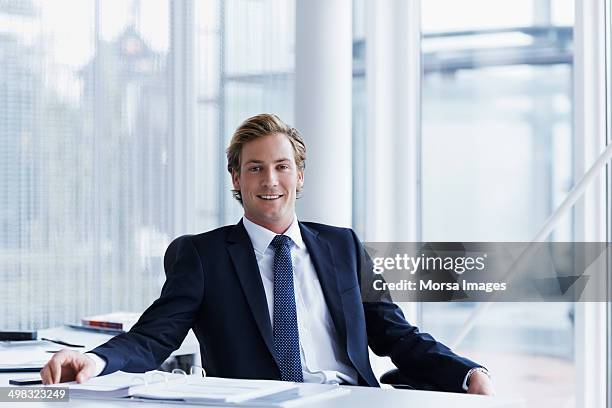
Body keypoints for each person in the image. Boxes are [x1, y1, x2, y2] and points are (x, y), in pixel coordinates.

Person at [41, 114, 494, 394]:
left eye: (282, 167)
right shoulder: (202, 256)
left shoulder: (343, 246)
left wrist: (466, 373)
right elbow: (154, 338)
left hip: (349, 398)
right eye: (254, 168)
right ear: (236, 179)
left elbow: (396, 335)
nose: (269, 180)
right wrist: (96, 360)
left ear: (300, 176)